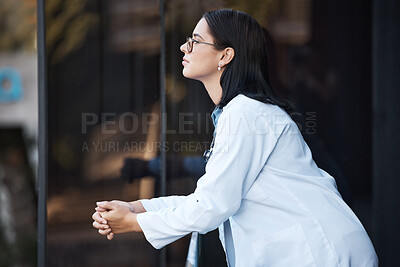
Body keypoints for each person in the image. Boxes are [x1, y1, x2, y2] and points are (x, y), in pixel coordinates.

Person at [92, 9, 378, 266]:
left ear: (225, 55)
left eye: (195, 40)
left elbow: (212, 206)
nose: (183, 47)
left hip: (321, 253)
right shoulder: (240, 112)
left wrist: (134, 222)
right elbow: (208, 197)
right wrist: (135, 207)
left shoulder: (246, 113)